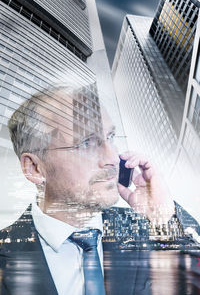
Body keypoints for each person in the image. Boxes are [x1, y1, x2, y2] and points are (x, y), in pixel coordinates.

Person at [0, 85, 198, 295]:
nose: (113, 158)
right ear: (35, 168)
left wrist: (163, 216)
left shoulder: (147, 231)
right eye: (86, 143)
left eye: (110, 137)